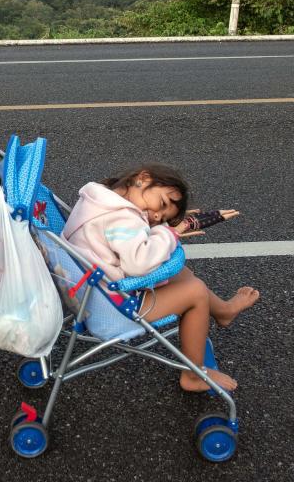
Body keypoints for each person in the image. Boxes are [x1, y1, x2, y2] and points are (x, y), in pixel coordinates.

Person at [61, 163, 259, 393]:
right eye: (162, 204)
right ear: (143, 178)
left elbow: (124, 243)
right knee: (194, 291)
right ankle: (193, 374)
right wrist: (169, 233)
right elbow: (139, 263)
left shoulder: (99, 198)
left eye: (161, 217)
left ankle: (223, 311)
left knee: (179, 273)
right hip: (111, 306)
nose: (156, 216)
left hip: (89, 290)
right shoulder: (123, 220)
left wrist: (157, 227)